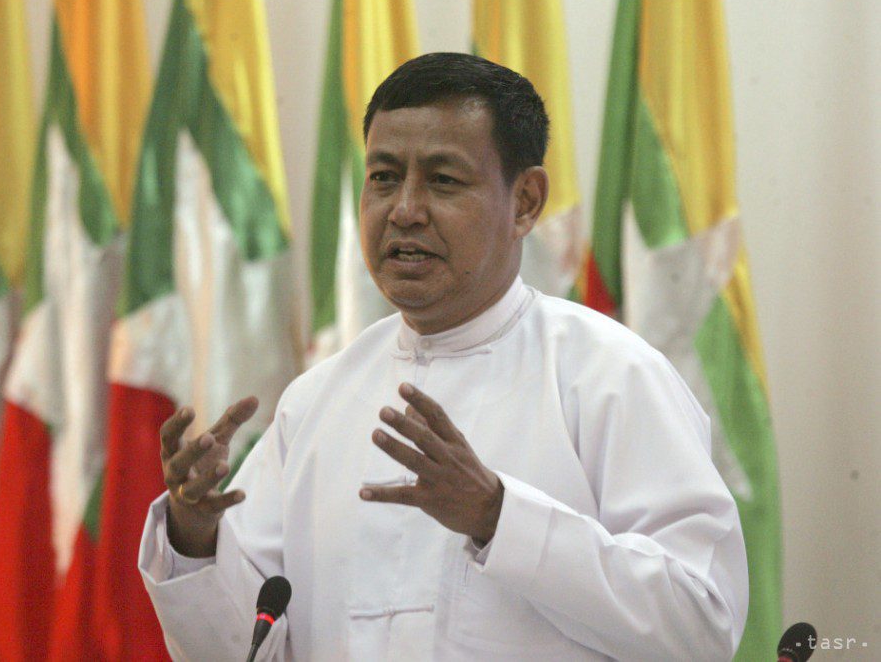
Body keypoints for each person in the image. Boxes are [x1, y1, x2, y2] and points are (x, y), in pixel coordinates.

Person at [139, 53, 748, 661]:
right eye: (384, 177)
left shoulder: (611, 376)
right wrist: (195, 538)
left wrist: (498, 517)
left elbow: (702, 624)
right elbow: (243, 649)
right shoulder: (315, 402)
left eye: (444, 180)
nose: (404, 209)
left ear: (526, 201)